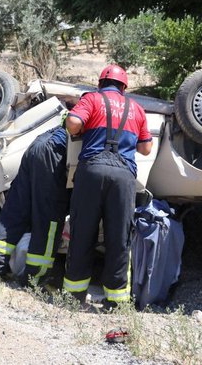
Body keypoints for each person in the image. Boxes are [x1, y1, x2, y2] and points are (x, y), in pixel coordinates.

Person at [63, 65, 152, 307]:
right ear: (124, 87)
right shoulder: (137, 108)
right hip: (123, 176)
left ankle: (74, 297)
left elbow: (72, 123)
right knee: (119, 237)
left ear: (100, 83)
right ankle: (115, 301)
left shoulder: (92, 99)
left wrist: (85, 127)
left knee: (82, 233)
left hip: (92, 171)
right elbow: (146, 148)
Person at [0, 125, 70, 285]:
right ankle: (33, 280)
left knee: (15, 213)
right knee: (49, 222)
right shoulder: (102, 114)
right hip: (55, 152)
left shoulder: (87, 104)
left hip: (37, 144)